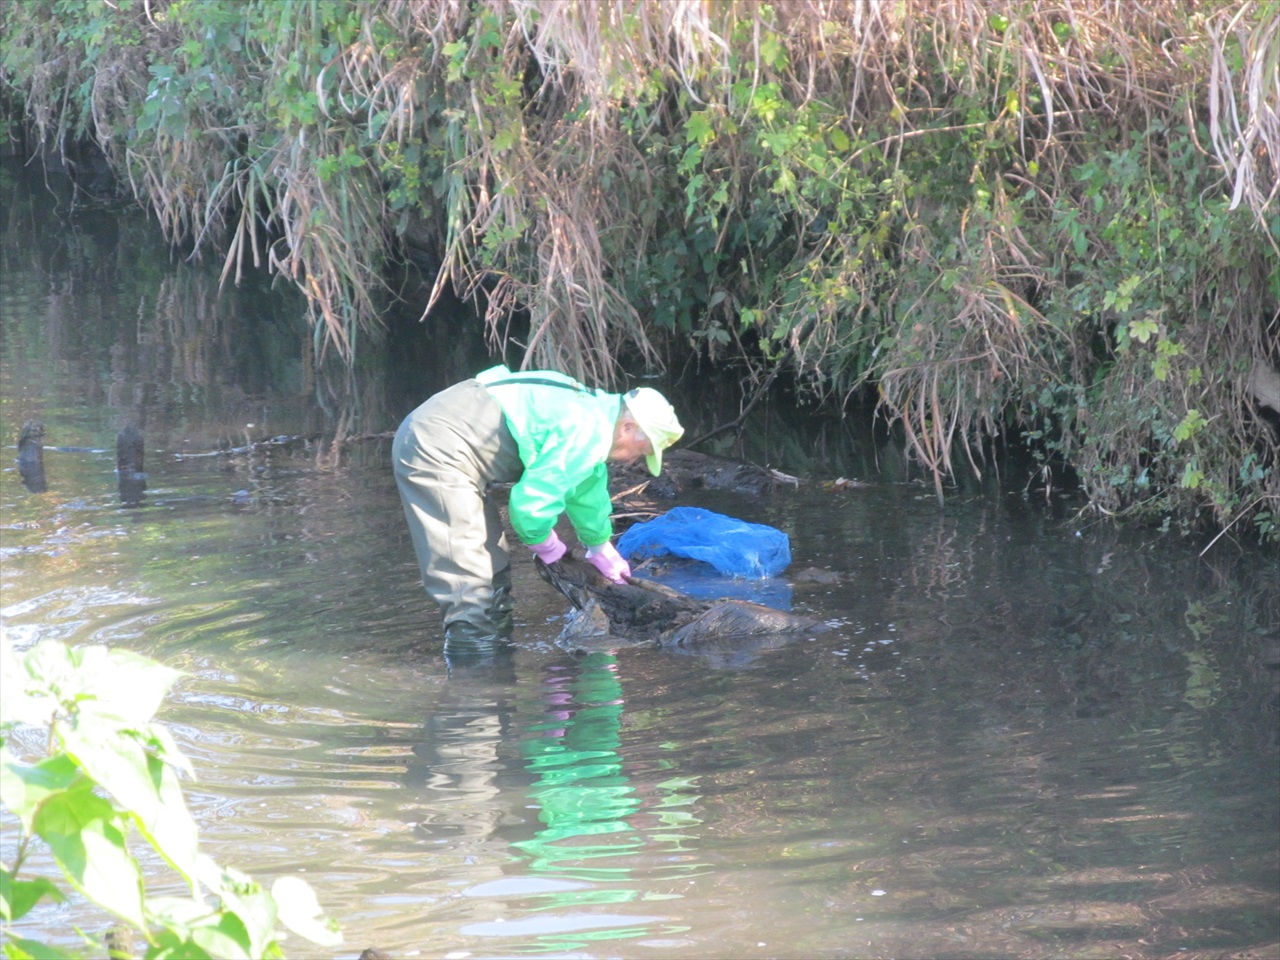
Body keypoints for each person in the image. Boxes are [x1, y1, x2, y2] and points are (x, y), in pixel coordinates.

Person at [392, 364, 684, 655]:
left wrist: (599, 545)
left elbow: (586, 488)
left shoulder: (593, 414)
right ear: (628, 428)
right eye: (642, 451)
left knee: (493, 570)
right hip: (437, 445)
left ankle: (498, 662)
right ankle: (476, 686)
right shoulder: (587, 428)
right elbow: (530, 509)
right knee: (470, 584)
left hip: (451, 435)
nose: (635, 460)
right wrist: (549, 549)